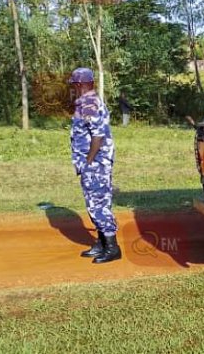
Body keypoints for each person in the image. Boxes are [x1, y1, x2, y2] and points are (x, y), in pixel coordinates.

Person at [69, 68, 120, 264]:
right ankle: (102, 243)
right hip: (95, 164)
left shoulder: (89, 103)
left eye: (74, 84)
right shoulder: (87, 102)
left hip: (96, 165)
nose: (73, 88)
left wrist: (88, 162)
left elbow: (98, 137)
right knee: (96, 203)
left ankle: (112, 247)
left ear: (80, 84)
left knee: (98, 205)